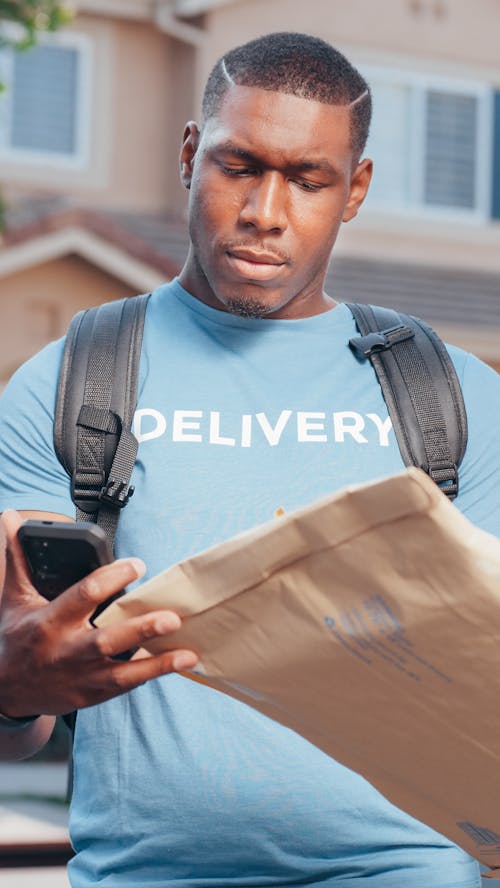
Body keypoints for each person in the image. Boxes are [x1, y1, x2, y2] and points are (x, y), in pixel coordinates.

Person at [0, 30, 498, 888]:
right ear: (191, 155)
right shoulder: (70, 384)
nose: (266, 211)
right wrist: (14, 688)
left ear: (356, 190)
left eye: (309, 181)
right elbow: (23, 705)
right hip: (144, 876)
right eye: (240, 166)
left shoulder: (454, 397)